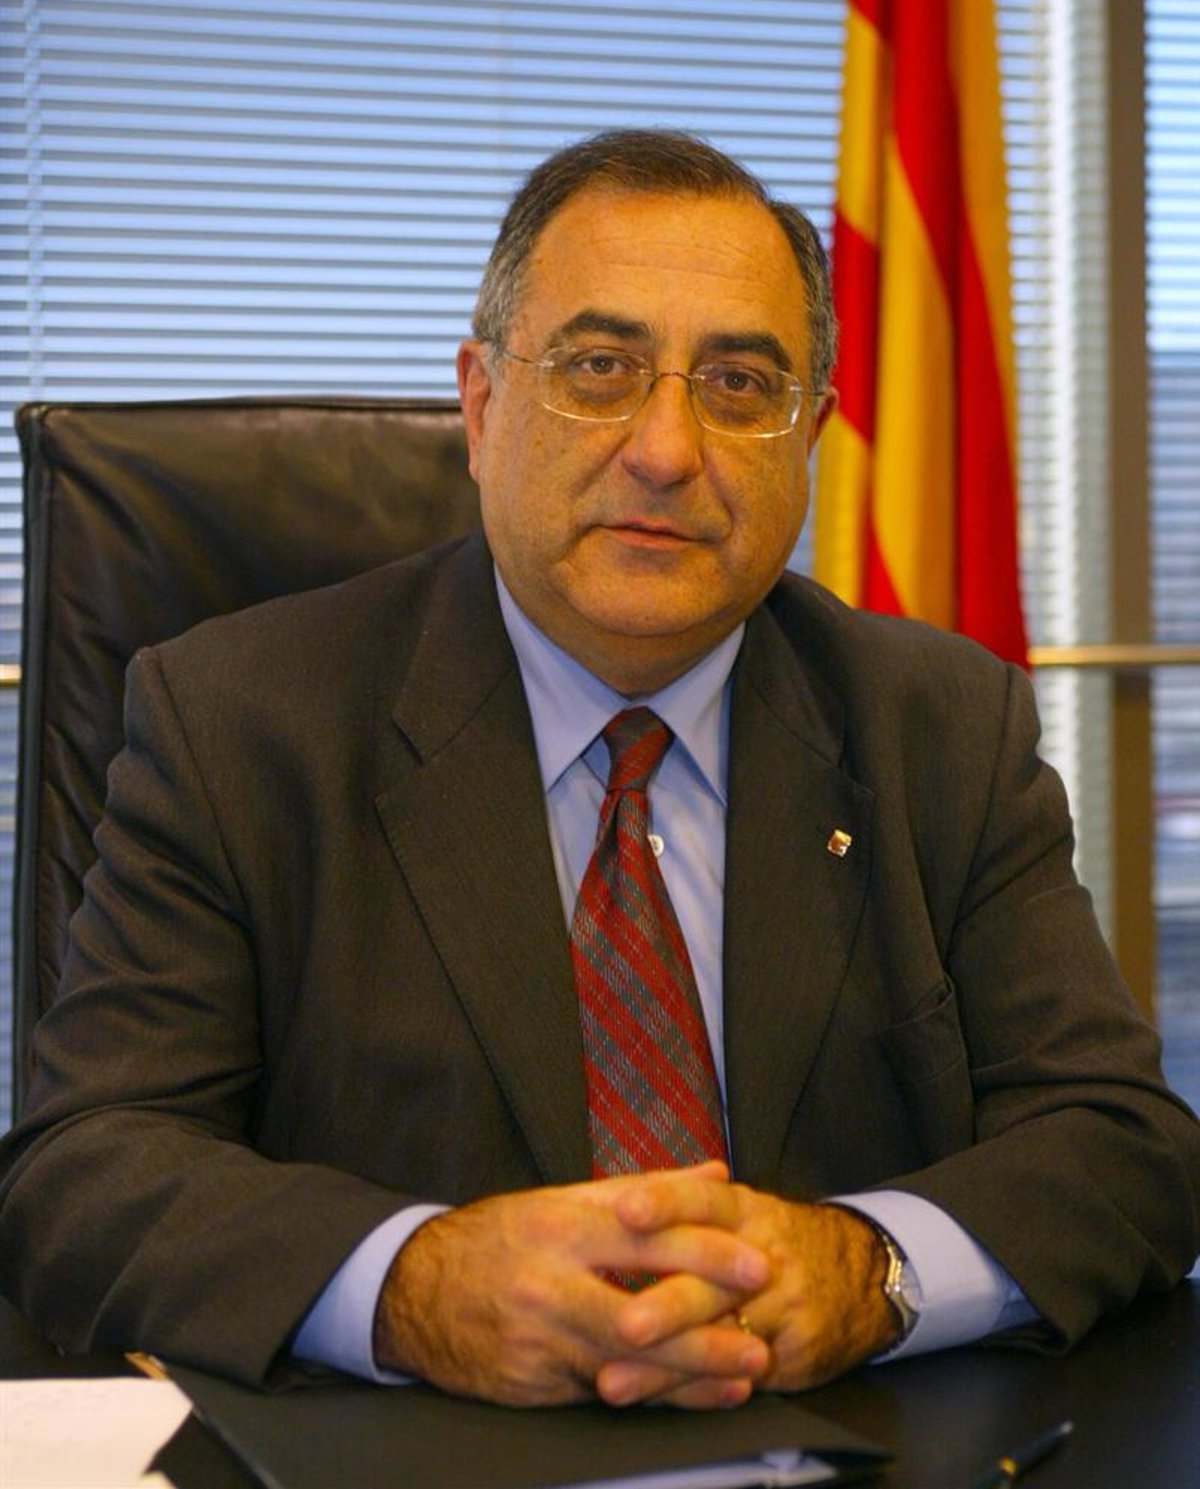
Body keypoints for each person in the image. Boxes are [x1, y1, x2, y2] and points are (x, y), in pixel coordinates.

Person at [1, 130, 1197, 1411]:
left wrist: (872, 1269)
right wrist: (414, 1287)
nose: (667, 448)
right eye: (599, 368)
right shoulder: (242, 721)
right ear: (480, 406)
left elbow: (1123, 1144)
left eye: (739, 383)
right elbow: (88, 1165)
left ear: (808, 438)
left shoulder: (939, 726)